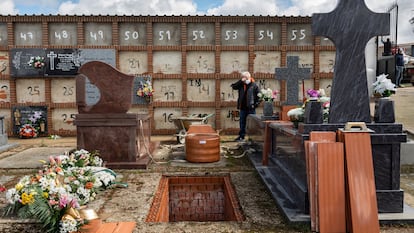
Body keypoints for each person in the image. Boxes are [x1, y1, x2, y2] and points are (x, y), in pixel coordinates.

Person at [231, 71, 260, 141]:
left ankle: (253, 138)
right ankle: (241, 136)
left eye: (244, 77)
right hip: (243, 107)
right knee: (242, 122)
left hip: (251, 108)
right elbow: (234, 86)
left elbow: (259, 96)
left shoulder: (254, 85)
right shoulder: (241, 84)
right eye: (242, 77)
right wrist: (241, 81)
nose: (243, 79)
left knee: (252, 123)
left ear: (248, 77)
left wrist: (255, 105)